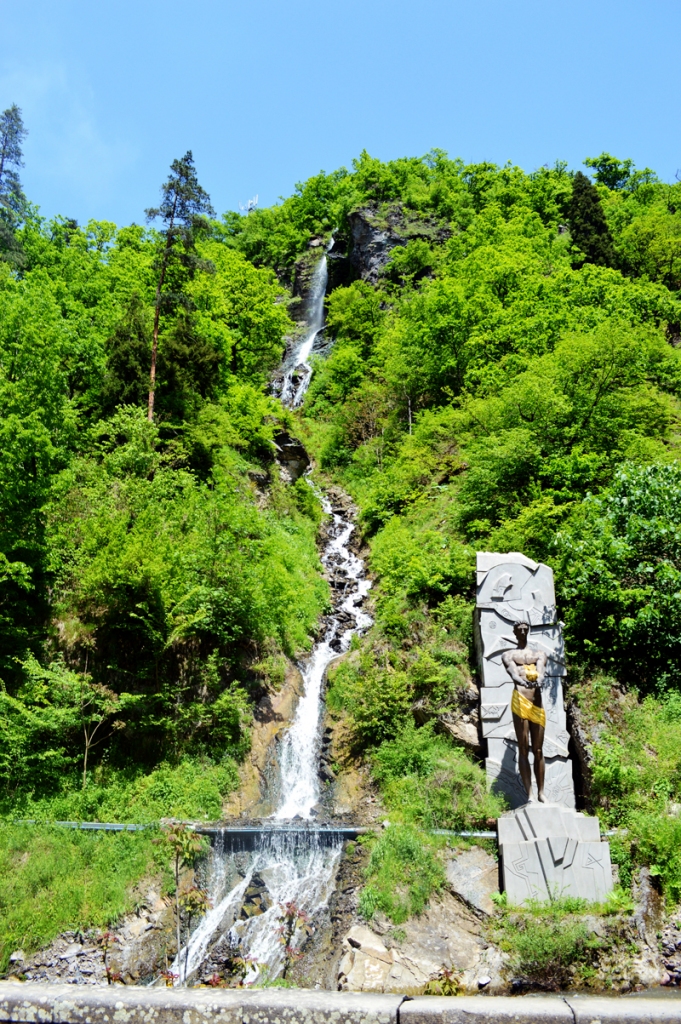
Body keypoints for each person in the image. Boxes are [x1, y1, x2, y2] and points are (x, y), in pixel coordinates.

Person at [501, 620, 547, 803]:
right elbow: (512, 673)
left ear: (528, 630)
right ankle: (529, 795)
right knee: (523, 746)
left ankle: (541, 792)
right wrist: (522, 681)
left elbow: (541, 672)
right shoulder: (509, 654)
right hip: (520, 699)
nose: (522, 631)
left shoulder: (539, 654)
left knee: (538, 749)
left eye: (525, 628)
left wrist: (540, 679)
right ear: (514, 632)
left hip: (537, 701)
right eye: (519, 629)